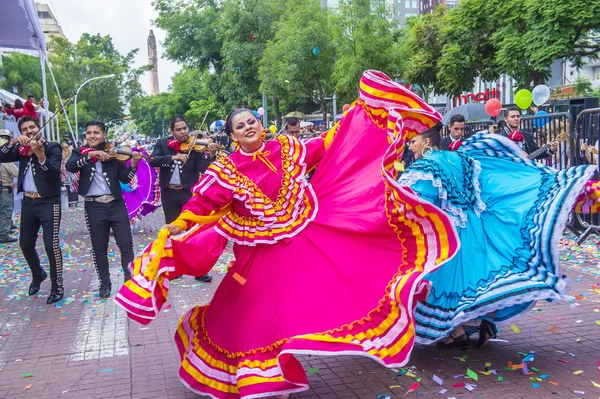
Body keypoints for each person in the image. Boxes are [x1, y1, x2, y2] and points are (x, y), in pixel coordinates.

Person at [116, 70, 460, 399]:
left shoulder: (283, 149)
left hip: (298, 245)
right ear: (232, 135)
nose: (248, 127)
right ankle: (262, 374)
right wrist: (181, 223)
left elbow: (324, 146)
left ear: (259, 125)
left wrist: (356, 118)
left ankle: (282, 369)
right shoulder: (226, 170)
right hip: (256, 256)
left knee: (320, 292)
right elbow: (204, 202)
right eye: (240, 125)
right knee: (248, 312)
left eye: (251, 121)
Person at [399, 124, 595, 349]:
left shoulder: (425, 165)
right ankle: (478, 325)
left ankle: (456, 331)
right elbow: (487, 181)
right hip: (475, 232)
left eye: (413, 141)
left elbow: (414, 202)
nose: (410, 146)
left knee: (443, 285)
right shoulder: (459, 158)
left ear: (426, 142)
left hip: (449, 237)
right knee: (475, 282)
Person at [66, 120, 142, 298]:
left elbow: (124, 179)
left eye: (96, 133)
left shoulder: (114, 152)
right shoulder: (80, 152)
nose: (92, 136)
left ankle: (129, 281)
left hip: (116, 204)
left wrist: (133, 165)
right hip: (93, 206)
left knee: (125, 244)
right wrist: (91, 155)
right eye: (89, 132)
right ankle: (104, 283)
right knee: (99, 247)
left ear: (104, 135)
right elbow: (70, 166)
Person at [0, 116, 64, 304]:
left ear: (39, 128)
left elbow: (53, 171)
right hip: (28, 201)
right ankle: (38, 274)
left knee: (51, 246)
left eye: (32, 127)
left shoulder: (52, 147)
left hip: (49, 202)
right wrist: (12, 142)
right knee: (25, 244)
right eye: (25, 129)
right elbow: (1, 156)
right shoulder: (21, 150)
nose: (29, 131)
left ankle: (57, 286)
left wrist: (40, 154)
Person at [149, 116, 218, 282]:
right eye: (178, 129)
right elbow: (152, 160)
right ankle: (175, 269)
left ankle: (199, 270)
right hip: (169, 193)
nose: (183, 132)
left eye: (185, 128)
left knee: (193, 232)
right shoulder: (162, 143)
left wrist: (212, 154)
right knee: (173, 232)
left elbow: (204, 168)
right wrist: (173, 157)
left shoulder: (195, 146)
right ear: (172, 131)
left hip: (188, 193)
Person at [0, 129, 19, 244]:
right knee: (6, 211)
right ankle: (3, 234)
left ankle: (8, 226)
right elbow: (16, 173)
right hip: (4, 188)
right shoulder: (5, 158)